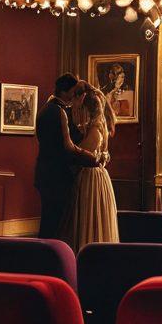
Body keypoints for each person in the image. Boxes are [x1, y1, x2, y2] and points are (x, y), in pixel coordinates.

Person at [35, 73, 97, 238]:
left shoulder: (46, 109)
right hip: (57, 176)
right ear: (64, 91)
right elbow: (68, 147)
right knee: (56, 226)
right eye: (73, 92)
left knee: (49, 222)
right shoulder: (58, 111)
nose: (75, 96)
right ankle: (50, 259)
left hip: (45, 173)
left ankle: (45, 257)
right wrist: (91, 158)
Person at [62, 89, 119, 253]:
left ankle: (86, 252)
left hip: (90, 177)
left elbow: (82, 154)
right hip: (94, 175)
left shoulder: (95, 129)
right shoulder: (96, 126)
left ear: (87, 110)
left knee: (88, 218)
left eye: (80, 110)